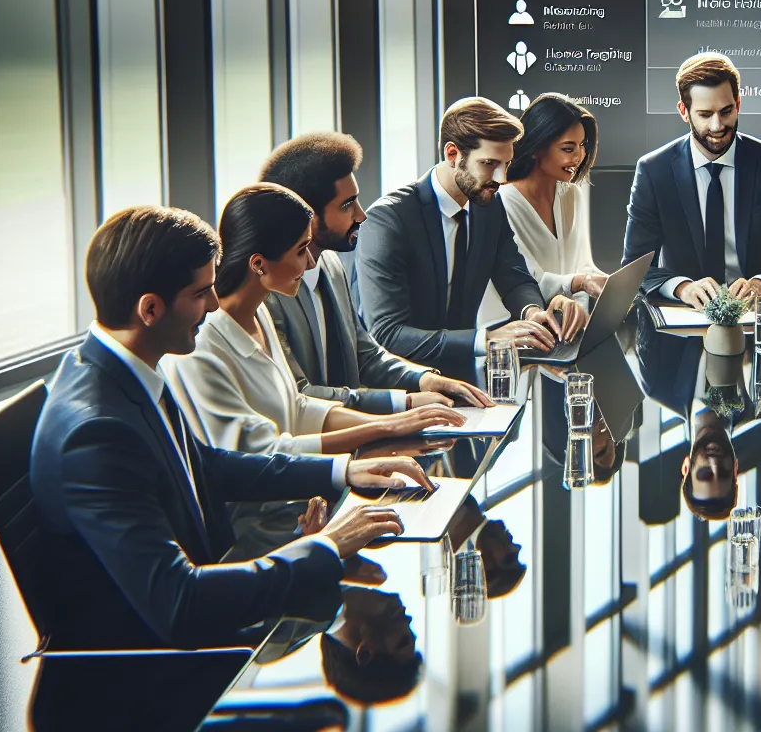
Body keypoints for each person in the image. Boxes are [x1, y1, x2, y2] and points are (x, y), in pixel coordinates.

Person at [30, 206, 434, 649]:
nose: (214, 304)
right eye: (201, 293)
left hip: (204, 596)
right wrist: (327, 546)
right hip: (155, 666)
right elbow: (179, 601)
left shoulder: (114, 368)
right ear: (150, 309)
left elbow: (203, 464)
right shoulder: (98, 433)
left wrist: (342, 471)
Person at [164, 184, 470, 555]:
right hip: (250, 537)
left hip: (297, 507)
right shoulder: (204, 345)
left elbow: (297, 407)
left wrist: (394, 422)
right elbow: (265, 450)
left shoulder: (259, 313)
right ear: (258, 263)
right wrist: (382, 429)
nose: (311, 263)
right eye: (300, 251)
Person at [256, 132, 493, 415]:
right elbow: (299, 393)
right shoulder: (266, 292)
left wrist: (425, 380)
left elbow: (365, 355)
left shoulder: (333, 266)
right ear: (304, 213)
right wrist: (402, 403)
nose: (361, 215)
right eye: (347, 205)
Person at [356, 97, 581, 380]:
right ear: (453, 154)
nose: (501, 178)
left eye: (507, 163)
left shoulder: (487, 205)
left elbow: (512, 274)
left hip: (462, 380)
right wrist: (486, 340)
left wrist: (533, 313)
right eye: (489, 163)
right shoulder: (389, 220)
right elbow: (388, 334)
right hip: (401, 387)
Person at [623, 52, 761, 307]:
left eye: (726, 111)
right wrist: (683, 288)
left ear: (738, 104)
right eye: (705, 114)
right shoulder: (654, 171)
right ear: (684, 111)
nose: (717, 125)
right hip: (681, 319)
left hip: (753, 316)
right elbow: (634, 267)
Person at [478, 93, 609, 335]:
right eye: (568, 148)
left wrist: (611, 286)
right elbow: (525, 279)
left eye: (582, 146)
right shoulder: (502, 202)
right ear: (537, 148)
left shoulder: (571, 195)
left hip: (570, 329)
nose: (579, 157)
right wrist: (581, 281)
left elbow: (582, 263)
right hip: (520, 331)